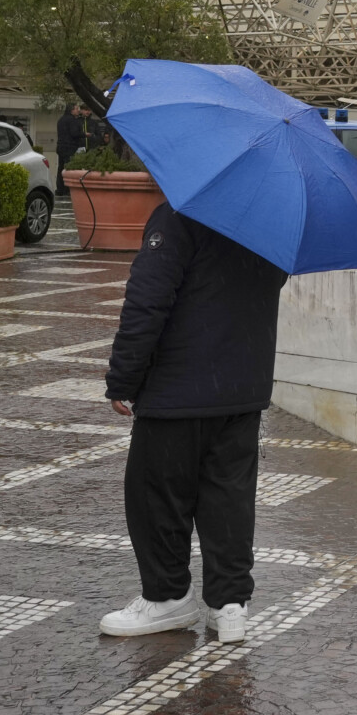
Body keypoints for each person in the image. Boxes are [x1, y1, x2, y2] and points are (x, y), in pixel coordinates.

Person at [100, 203, 287, 644]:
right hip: (242, 387)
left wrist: (123, 379)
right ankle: (230, 607)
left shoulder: (178, 216)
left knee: (157, 496)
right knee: (230, 497)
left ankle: (167, 599)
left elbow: (147, 301)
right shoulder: (269, 219)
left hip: (178, 389)